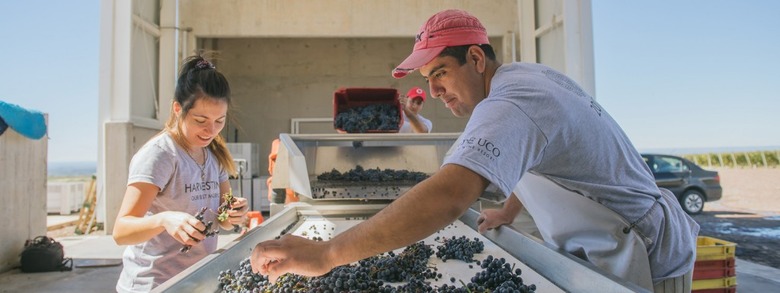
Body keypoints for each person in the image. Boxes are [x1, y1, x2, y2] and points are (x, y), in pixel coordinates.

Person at [250, 9, 699, 292]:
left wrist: (327, 254)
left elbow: (448, 196)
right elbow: (540, 156)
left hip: (645, 253)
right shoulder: (526, 77)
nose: (435, 89)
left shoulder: (509, 103)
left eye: (441, 71)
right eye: (427, 78)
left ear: (477, 60)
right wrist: (506, 210)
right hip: (612, 241)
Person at [113, 54, 249, 292]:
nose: (211, 130)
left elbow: (224, 220)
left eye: (219, 121)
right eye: (200, 120)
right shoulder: (160, 155)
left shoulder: (214, 154)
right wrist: (165, 219)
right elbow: (121, 231)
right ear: (178, 109)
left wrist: (233, 214)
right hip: (154, 284)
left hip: (197, 279)